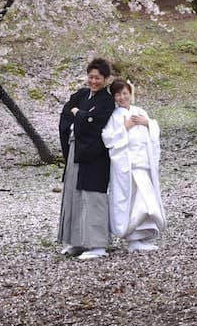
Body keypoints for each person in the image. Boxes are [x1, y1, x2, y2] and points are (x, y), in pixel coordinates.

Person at [57, 57, 116, 260]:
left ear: (106, 79)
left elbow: (94, 123)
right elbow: (66, 112)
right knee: (73, 195)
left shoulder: (107, 101)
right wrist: (82, 114)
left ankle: (98, 244)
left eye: (98, 78)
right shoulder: (82, 94)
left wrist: (79, 115)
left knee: (93, 197)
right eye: (91, 77)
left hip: (95, 154)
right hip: (77, 150)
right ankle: (77, 241)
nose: (93, 81)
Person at [101, 78, 165, 253]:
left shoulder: (140, 111)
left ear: (130, 93)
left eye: (124, 93)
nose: (122, 97)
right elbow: (108, 138)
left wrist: (148, 124)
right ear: (114, 97)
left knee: (146, 201)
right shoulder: (114, 117)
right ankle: (132, 238)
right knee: (131, 202)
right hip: (127, 167)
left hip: (143, 164)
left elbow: (153, 129)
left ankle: (142, 236)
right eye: (118, 95)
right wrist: (125, 128)